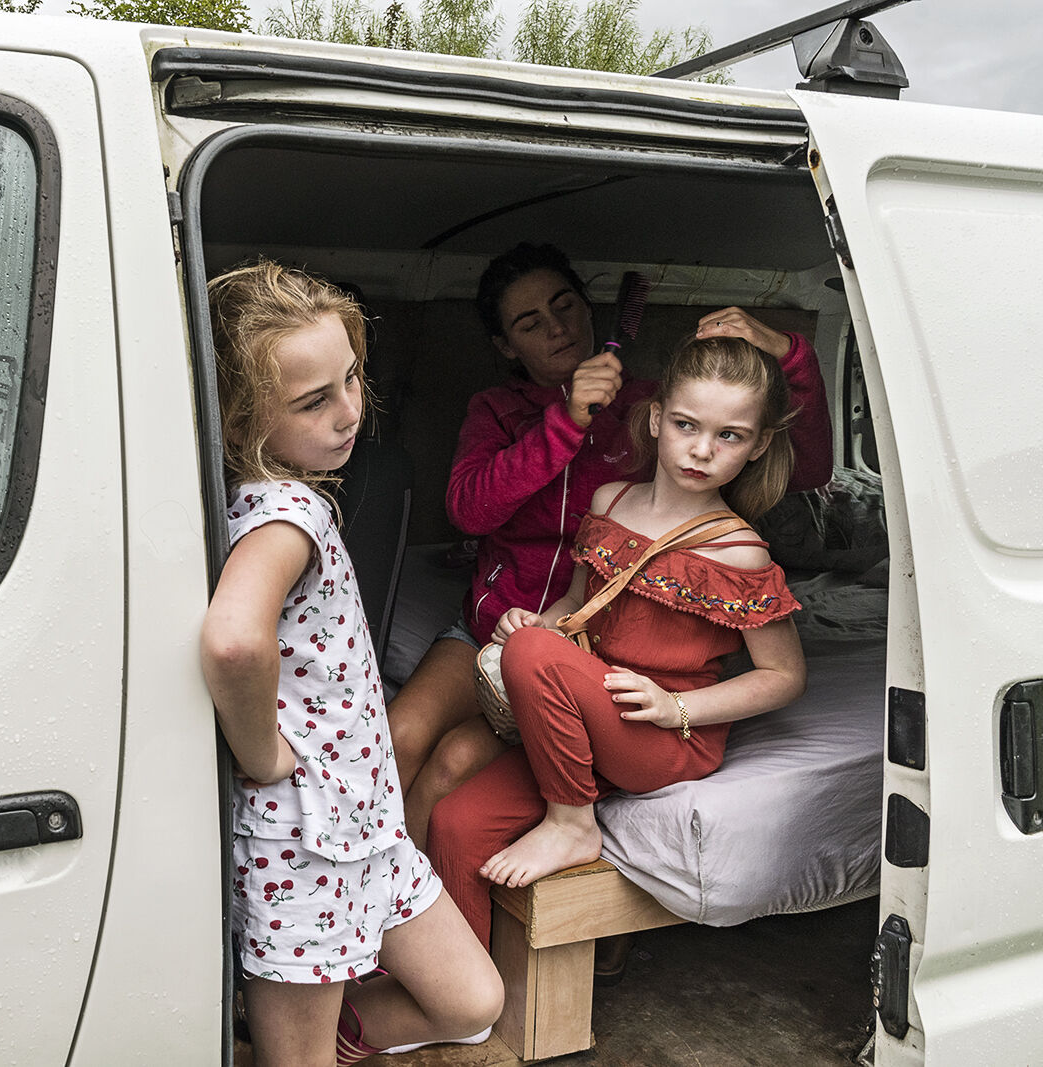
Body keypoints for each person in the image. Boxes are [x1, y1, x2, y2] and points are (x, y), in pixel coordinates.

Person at [393, 242, 832, 849]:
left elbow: (805, 469)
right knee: (402, 740)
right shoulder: (496, 410)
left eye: (564, 305)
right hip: (500, 625)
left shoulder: (655, 407)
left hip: (592, 653)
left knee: (456, 764)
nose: (556, 328)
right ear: (505, 347)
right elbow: (470, 510)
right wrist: (566, 419)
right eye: (529, 323)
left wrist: (790, 355)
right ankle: (382, 916)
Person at [200, 260, 502, 1066]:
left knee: (475, 1001)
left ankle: (305, 1036)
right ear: (237, 422)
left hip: (363, 830)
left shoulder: (282, 496)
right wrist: (262, 752)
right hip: (306, 845)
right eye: (313, 400)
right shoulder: (286, 513)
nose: (350, 412)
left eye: (353, 378)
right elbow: (233, 639)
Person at [426, 332, 808, 947]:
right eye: (686, 424)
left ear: (759, 444)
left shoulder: (738, 550)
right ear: (655, 419)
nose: (702, 450)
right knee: (455, 822)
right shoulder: (610, 501)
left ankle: (571, 823)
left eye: (729, 436)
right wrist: (533, 624)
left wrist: (675, 706)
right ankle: (466, 999)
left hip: (666, 735)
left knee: (531, 658)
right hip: (590, 719)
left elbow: (784, 677)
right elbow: (575, 610)